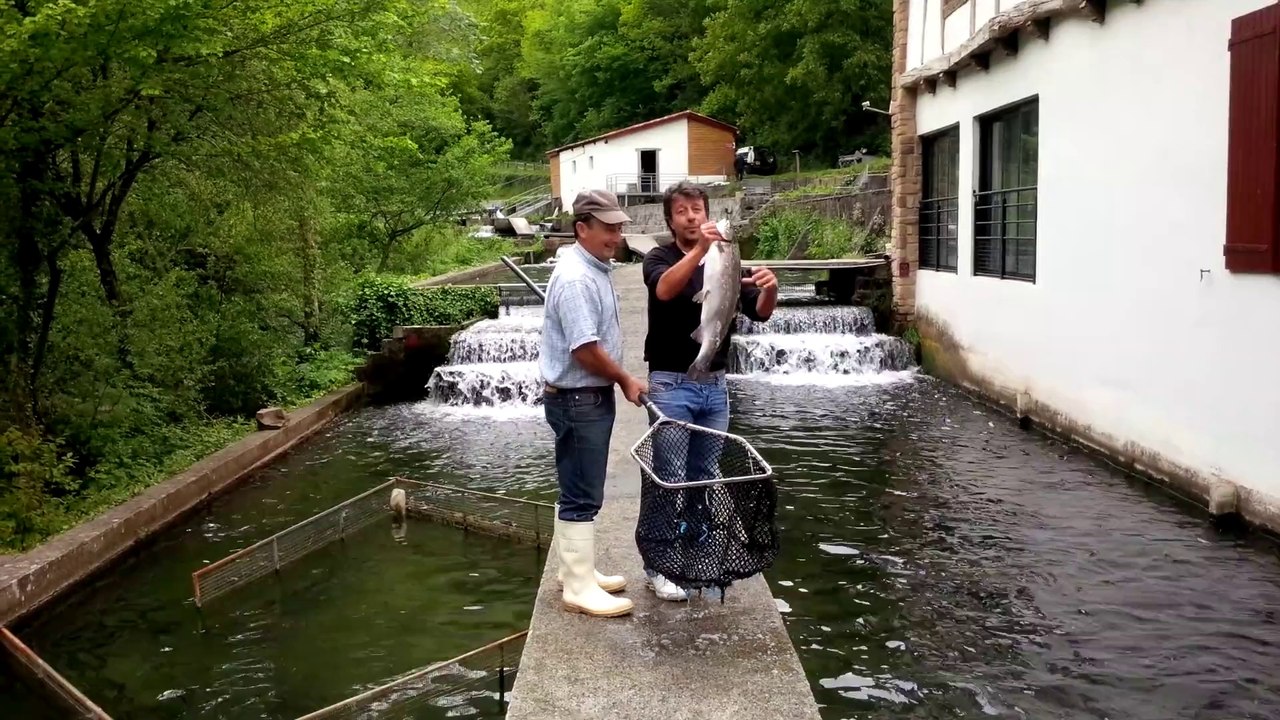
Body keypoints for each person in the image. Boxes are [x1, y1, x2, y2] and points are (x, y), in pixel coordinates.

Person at [638, 181, 778, 601]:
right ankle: (660, 566)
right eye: (682, 211)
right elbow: (664, 290)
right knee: (669, 477)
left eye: (697, 209)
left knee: (704, 476)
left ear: (707, 213)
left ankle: (695, 554)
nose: (691, 217)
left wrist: (770, 289)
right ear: (670, 220)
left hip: (715, 386)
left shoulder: (727, 255)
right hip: (670, 384)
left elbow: (757, 311)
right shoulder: (659, 257)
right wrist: (700, 250)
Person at [539, 188, 648, 619]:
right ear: (582, 228)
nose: (617, 236)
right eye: (608, 228)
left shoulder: (591, 267)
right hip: (578, 398)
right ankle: (579, 588)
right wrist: (624, 378)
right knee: (583, 493)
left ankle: (574, 571)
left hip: (581, 397)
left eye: (619, 228)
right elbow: (584, 349)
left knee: (577, 486)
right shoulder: (577, 278)